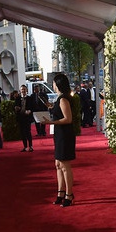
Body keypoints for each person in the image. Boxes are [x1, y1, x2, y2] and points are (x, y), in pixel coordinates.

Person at [45, 73, 76, 206]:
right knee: (58, 164)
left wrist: (51, 123)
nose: (52, 85)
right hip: (59, 134)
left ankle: (69, 194)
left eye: (53, 83)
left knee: (65, 165)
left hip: (65, 135)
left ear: (57, 84)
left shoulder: (63, 99)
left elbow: (68, 119)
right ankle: (60, 192)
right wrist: (52, 108)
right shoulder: (60, 99)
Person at [13, 84, 33, 152]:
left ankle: (30, 146)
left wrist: (30, 111)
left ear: (26, 90)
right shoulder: (17, 98)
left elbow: (33, 107)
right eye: (22, 90)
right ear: (20, 91)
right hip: (20, 117)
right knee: (22, 132)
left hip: (27, 117)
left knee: (28, 132)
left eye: (24, 89)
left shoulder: (29, 98)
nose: (23, 91)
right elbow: (15, 107)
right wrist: (16, 108)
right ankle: (25, 146)